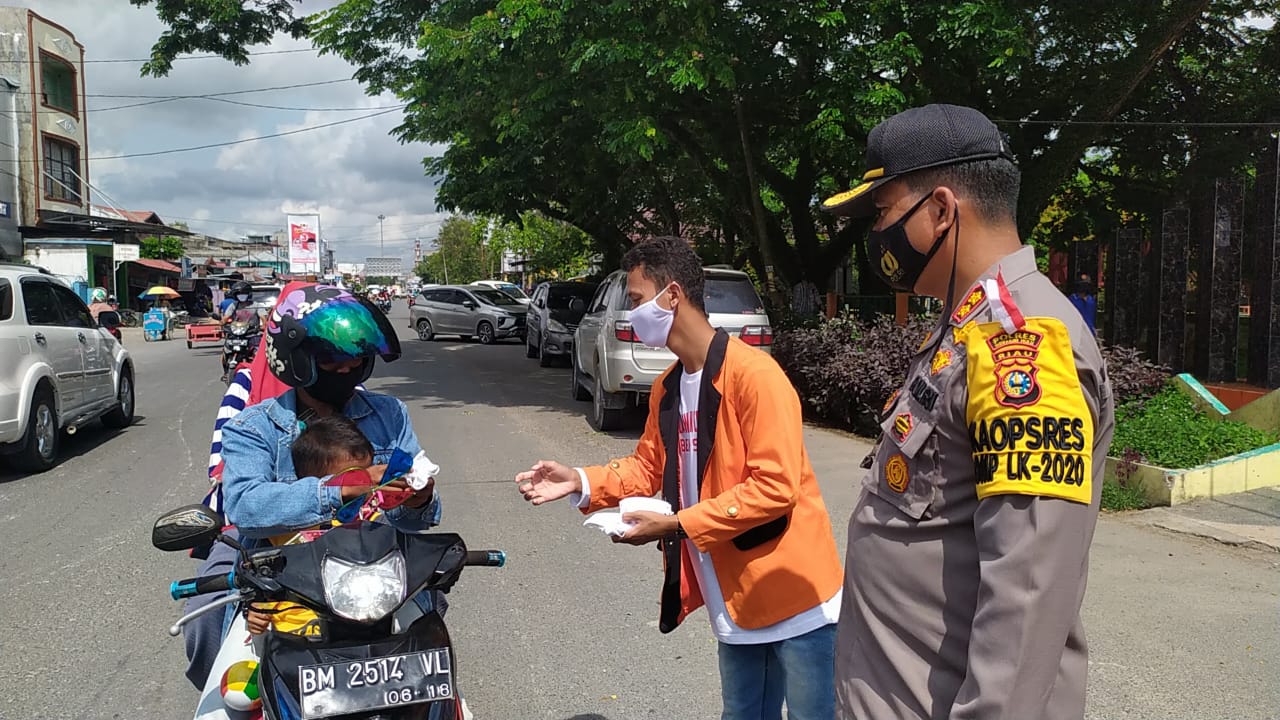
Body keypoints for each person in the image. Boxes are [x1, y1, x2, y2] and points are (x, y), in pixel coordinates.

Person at [819, 104, 1115, 720]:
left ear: (942, 210)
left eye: (882, 212)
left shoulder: (1023, 345)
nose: (876, 236)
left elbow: (1027, 594)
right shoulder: (966, 327)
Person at [515, 237, 844, 720]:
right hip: (732, 599)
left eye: (634, 299)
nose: (630, 313)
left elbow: (774, 488)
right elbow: (647, 468)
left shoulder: (755, 376)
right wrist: (579, 480)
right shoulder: (668, 387)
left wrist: (676, 525)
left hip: (796, 601)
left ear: (672, 296)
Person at [183, 283, 442, 689]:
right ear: (296, 359)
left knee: (431, 617)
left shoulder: (390, 414)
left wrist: (417, 498)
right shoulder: (253, 427)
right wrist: (343, 489)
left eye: (355, 357)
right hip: (273, 564)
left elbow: (418, 517)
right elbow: (246, 508)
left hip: (372, 562)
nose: (345, 368)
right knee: (206, 616)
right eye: (331, 358)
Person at [244, 414, 378, 636]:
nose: (362, 486)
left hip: (370, 618)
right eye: (351, 479)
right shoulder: (285, 527)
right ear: (312, 483)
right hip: (293, 630)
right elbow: (259, 579)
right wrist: (256, 610)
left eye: (367, 475)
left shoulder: (373, 515)